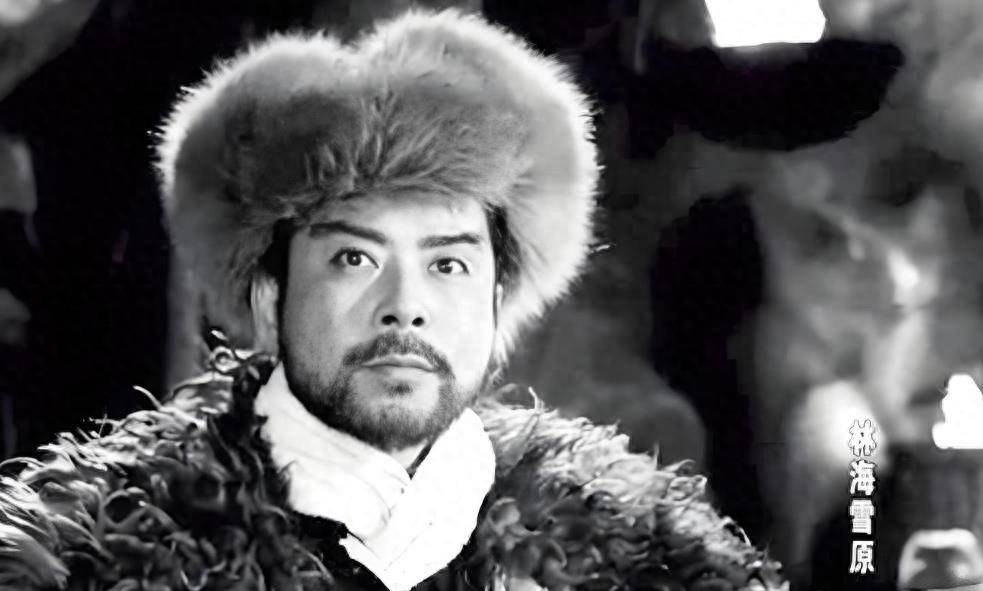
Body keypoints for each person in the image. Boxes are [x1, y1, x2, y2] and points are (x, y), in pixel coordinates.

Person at [0, 10, 785, 591]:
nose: (406, 305)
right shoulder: (83, 550)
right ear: (269, 295)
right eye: (354, 258)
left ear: (499, 300)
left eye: (447, 264)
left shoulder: (640, 548)